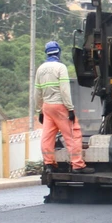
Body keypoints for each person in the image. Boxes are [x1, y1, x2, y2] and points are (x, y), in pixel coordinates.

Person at [36, 41, 94, 174]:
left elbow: (37, 93)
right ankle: (77, 165)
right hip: (60, 106)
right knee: (73, 134)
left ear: (47, 53)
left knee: (47, 136)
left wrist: (39, 110)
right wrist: (70, 108)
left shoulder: (40, 69)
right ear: (58, 52)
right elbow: (64, 91)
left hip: (47, 107)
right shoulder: (60, 68)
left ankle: (49, 164)